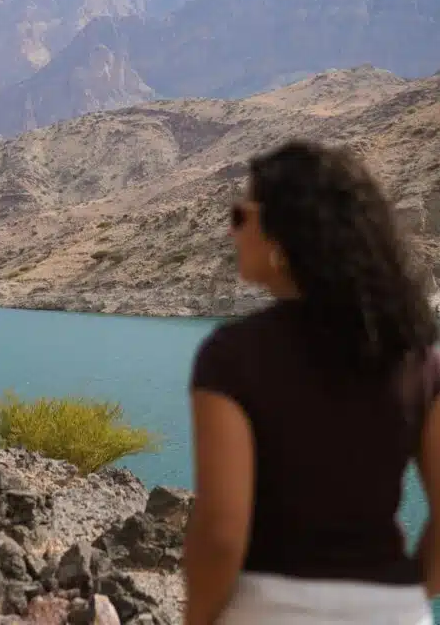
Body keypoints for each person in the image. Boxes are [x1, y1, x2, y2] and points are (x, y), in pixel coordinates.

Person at [184, 140, 440, 625]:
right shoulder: (420, 362)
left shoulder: (230, 357)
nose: (232, 231)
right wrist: (400, 594)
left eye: (241, 216)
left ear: (282, 236)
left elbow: (220, 532)